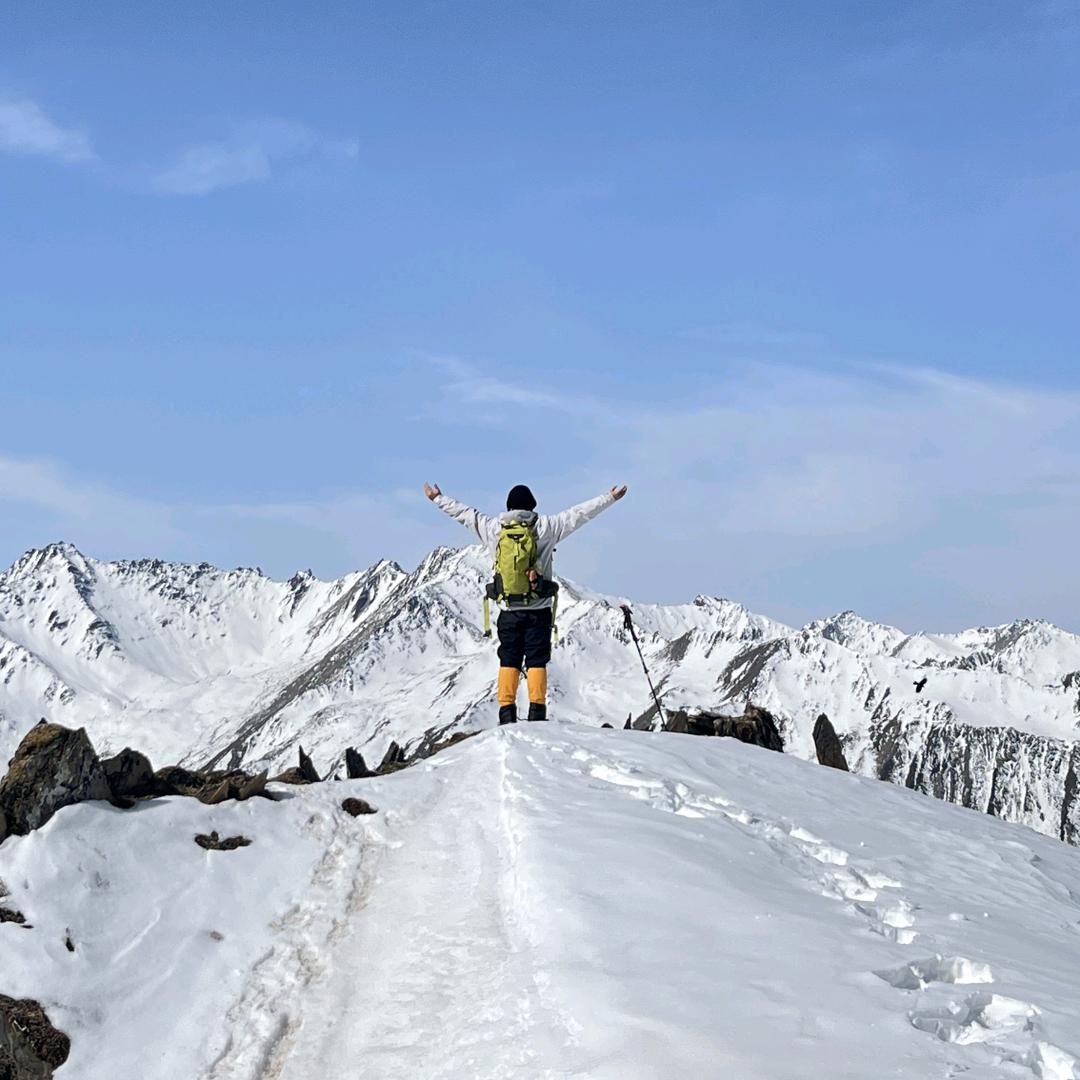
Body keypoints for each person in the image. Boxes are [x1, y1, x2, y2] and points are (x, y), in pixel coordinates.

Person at [424, 481, 628, 724]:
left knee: (508, 659)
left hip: (508, 610)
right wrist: (610, 497)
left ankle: (507, 712)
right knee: (536, 660)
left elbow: (465, 514)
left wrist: (438, 498)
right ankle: (537, 712)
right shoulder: (547, 527)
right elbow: (580, 514)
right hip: (538, 609)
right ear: (532, 506)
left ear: (508, 506)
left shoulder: (494, 528)